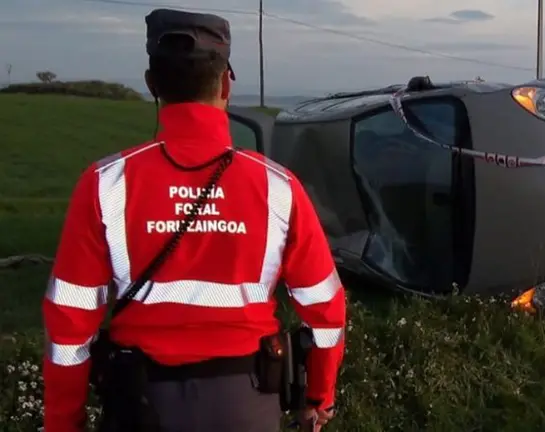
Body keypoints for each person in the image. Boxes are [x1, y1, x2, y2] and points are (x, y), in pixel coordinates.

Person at [42, 8, 345, 432]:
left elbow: (69, 326)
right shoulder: (279, 187)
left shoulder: (105, 183)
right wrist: (318, 397)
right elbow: (326, 312)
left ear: (152, 86)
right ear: (225, 83)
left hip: (140, 406)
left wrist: (63, 422)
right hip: (249, 405)